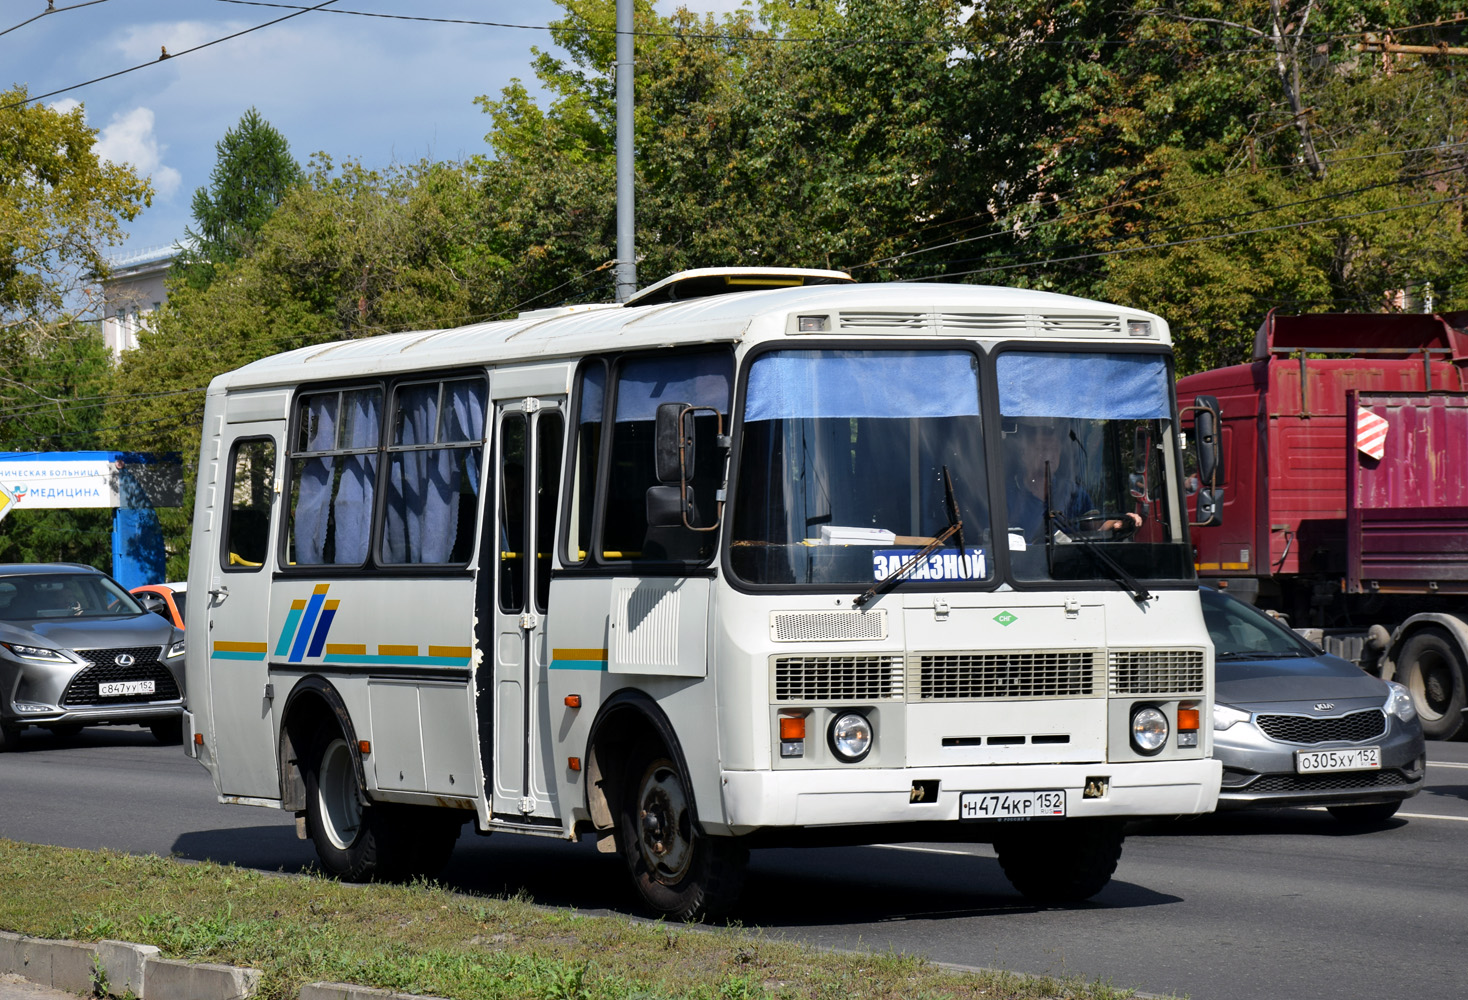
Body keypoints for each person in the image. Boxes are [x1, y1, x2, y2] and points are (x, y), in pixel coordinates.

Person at [1004, 417, 1142, 544]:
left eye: (1054, 449)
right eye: (1042, 449)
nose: (1049, 455)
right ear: (1024, 455)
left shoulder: (1072, 492)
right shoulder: (1006, 496)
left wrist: (1118, 523)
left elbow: (1096, 525)